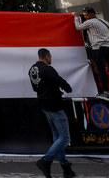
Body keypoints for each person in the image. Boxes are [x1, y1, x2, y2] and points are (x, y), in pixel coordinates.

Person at [28, 48, 76, 178]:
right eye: (50, 56)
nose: (51, 59)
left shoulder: (32, 69)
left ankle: (66, 167)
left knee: (57, 136)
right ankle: (46, 161)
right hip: (54, 106)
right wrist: (67, 89)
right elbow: (59, 80)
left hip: (44, 105)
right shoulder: (48, 68)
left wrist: (54, 90)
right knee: (65, 137)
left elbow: (36, 88)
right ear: (46, 56)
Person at [73, 7, 109, 98]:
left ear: (93, 14)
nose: (86, 17)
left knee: (101, 70)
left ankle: (106, 91)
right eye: (85, 16)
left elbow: (78, 27)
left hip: (98, 48)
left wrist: (76, 18)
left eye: (87, 15)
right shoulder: (105, 22)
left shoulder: (90, 22)